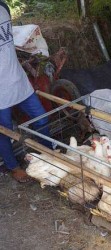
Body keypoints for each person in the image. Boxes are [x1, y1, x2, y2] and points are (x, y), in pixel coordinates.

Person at [0, 1, 52, 183]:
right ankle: (13, 166)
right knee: (4, 130)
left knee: (42, 118)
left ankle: (48, 154)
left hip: (18, 79)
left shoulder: (3, 8)